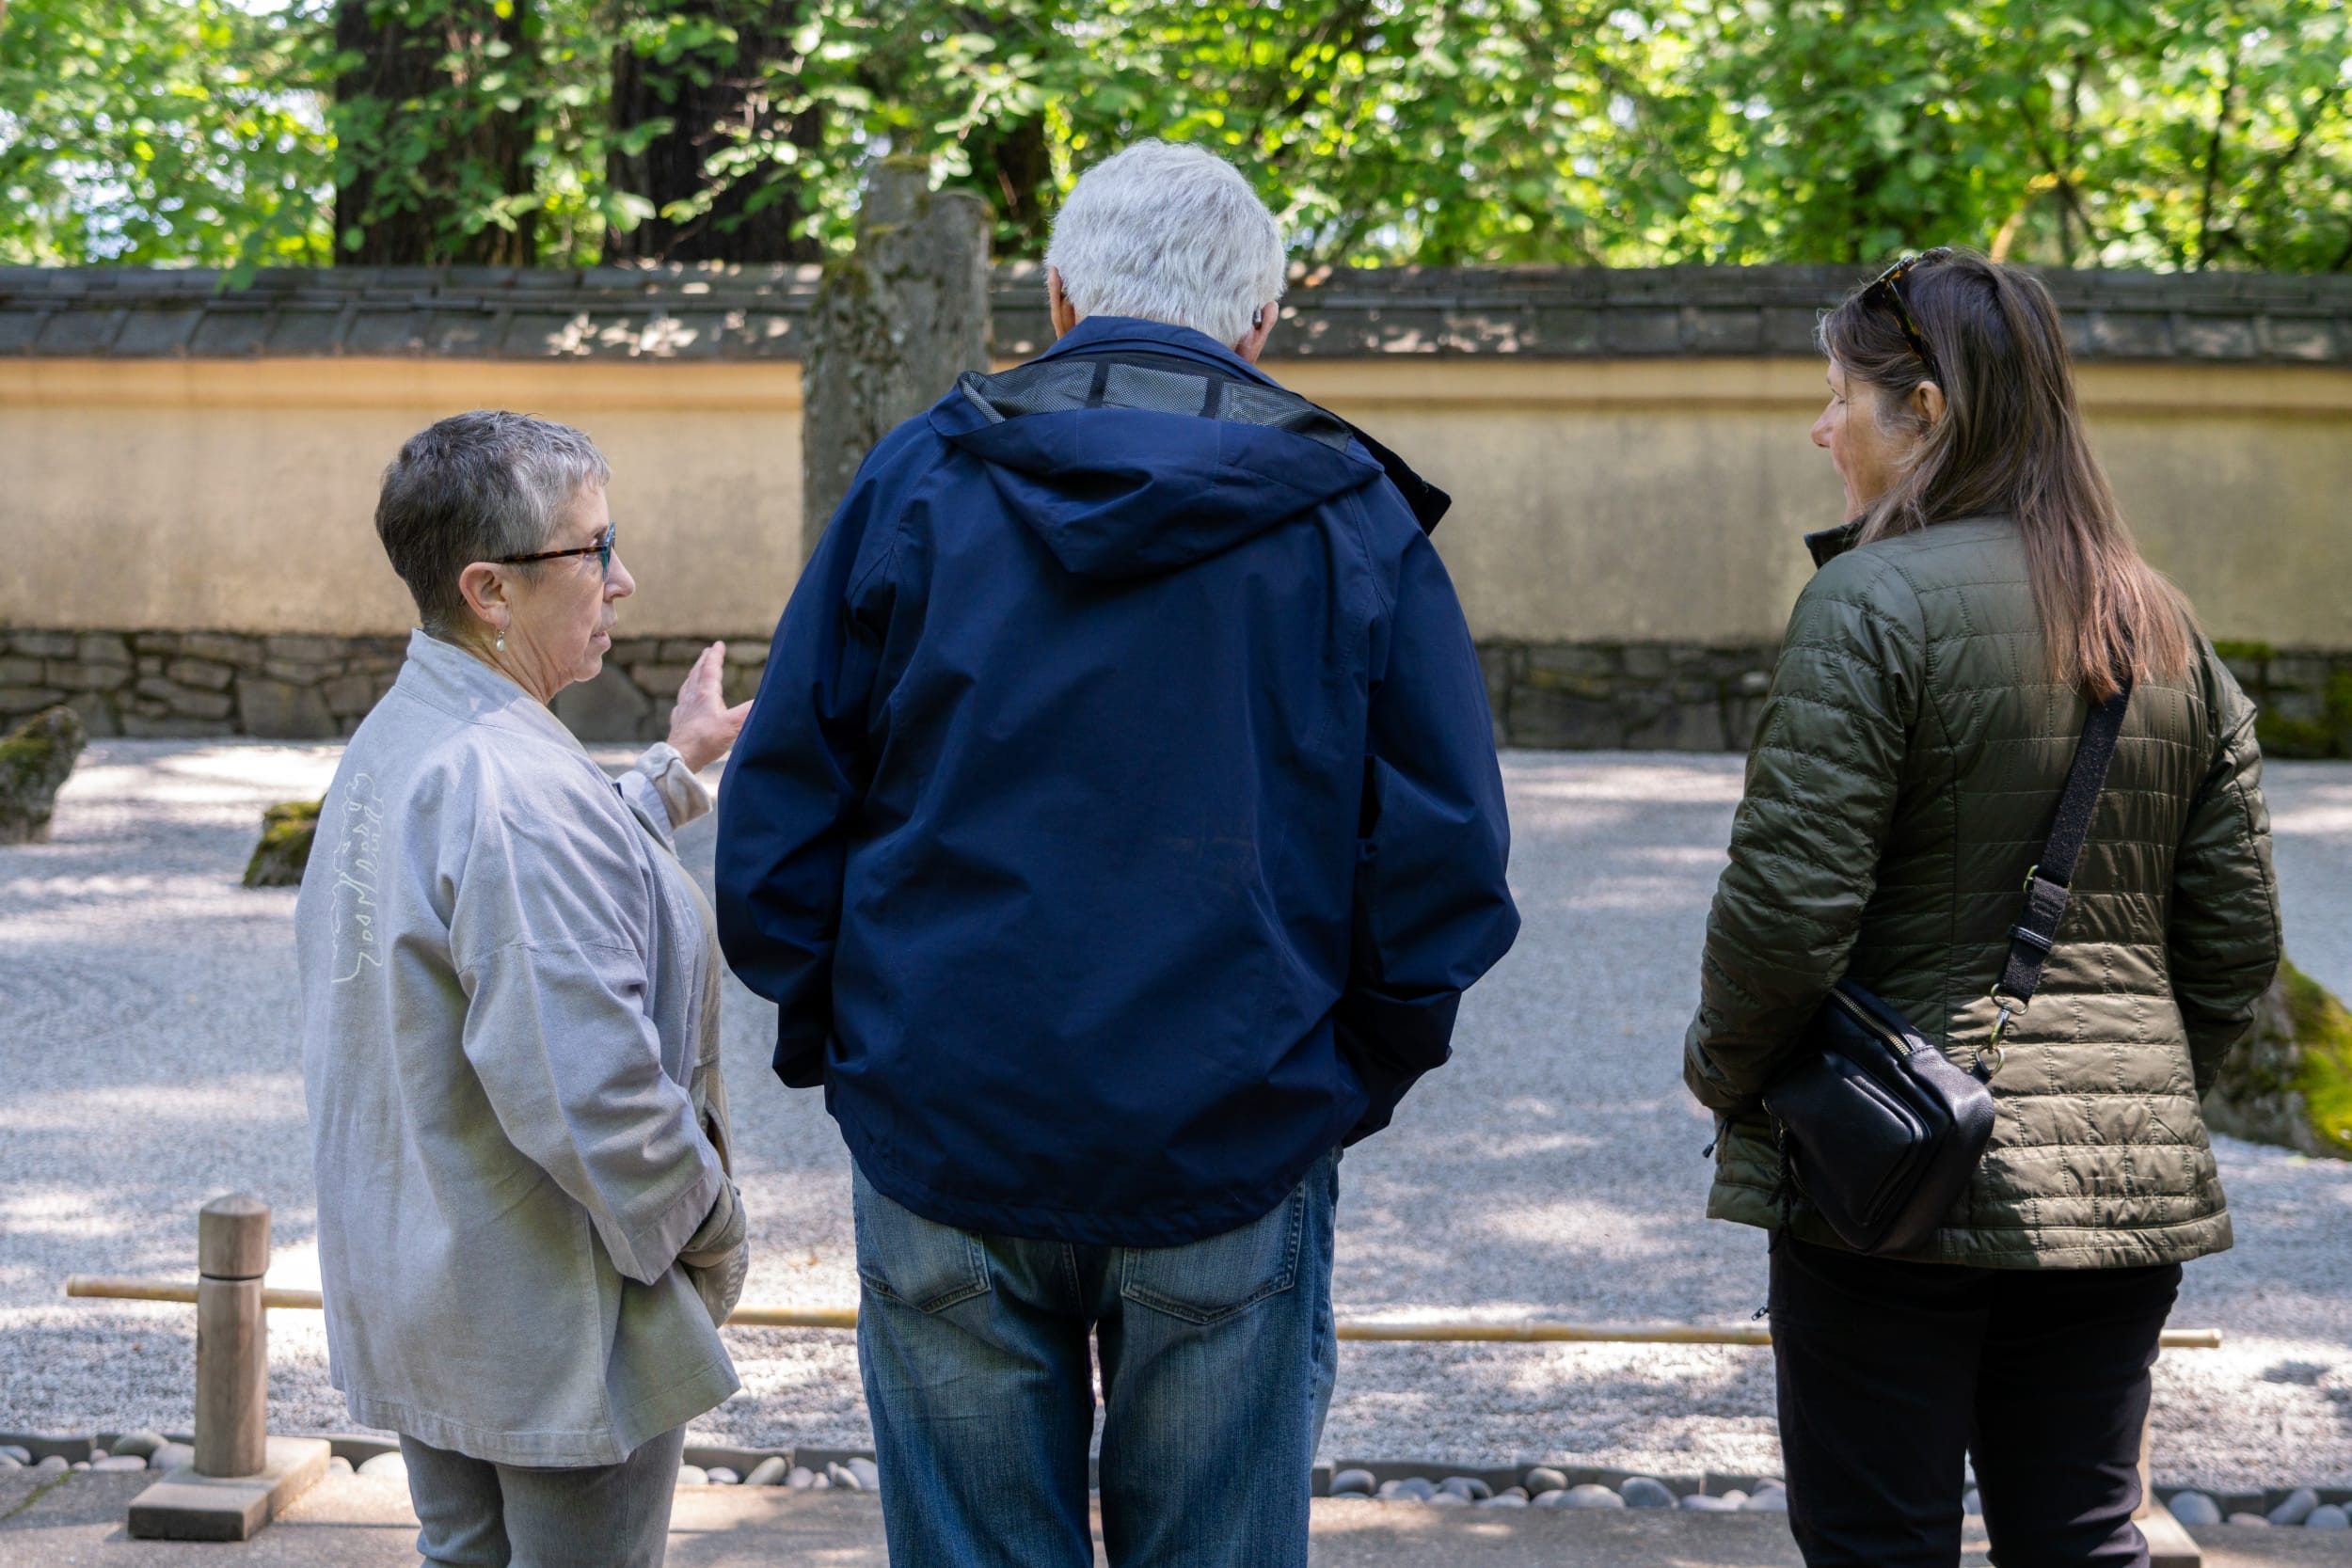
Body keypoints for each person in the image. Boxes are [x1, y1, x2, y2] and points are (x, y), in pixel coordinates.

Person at [716, 139, 1519, 1567]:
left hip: (946, 1111)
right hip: (1234, 1117)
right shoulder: (1350, 516)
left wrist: (853, 1043)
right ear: (1262, 321)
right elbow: (1442, 871)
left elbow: (779, 823)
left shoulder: (920, 478)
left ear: (1058, 293)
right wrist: (1340, 1080)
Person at [1683, 249, 2282, 1568]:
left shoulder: (1866, 606)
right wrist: (2126, 1082)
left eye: (1843, 393)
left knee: (1878, 1536)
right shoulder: (2165, 623)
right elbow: (2237, 943)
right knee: (2079, 1533)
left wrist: (1724, 1073)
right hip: (2118, 1180)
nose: (1822, 424)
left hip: (1888, 1173)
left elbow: (1787, 913)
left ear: (1929, 412)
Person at [295, 410, 755, 1568]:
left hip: (433, 1278)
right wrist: (709, 1224)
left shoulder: (407, 736)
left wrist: (673, 766)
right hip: (553, 1304)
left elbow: (527, 890)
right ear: (491, 590)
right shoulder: (504, 784)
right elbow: (589, 1092)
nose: (624, 576)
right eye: (594, 549)